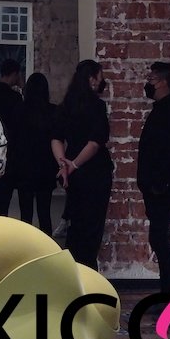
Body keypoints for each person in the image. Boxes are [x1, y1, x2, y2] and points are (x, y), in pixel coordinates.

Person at [136, 61, 170, 299]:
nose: (148, 83)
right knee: (159, 240)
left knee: (160, 239)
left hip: (165, 188)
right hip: (157, 187)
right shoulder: (161, 110)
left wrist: (160, 185)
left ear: (163, 82)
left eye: (151, 79)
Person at [51, 59, 113, 271]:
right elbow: (95, 144)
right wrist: (74, 165)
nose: (102, 81)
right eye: (100, 77)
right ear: (92, 79)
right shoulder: (97, 106)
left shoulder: (65, 106)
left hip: (73, 174)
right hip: (95, 171)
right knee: (92, 228)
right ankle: (87, 273)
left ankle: (72, 272)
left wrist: (63, 165)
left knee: (76, 224)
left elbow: (56, 138)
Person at [14, 72, 58, 235]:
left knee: (25, 213)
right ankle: (47, 243)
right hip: (46, 166)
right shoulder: (53, 111)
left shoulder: (19, 110)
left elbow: (14, 139)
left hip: (24, 166)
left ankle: (25, 243)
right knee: (45, 211)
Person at [0, 58, 24, 216]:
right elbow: (18, 126)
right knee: (4, 196)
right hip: (9, 149)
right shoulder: (15, 97)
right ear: (14, 74)